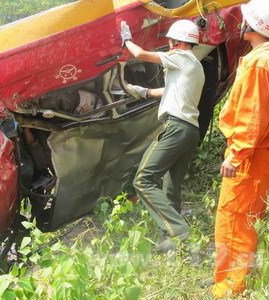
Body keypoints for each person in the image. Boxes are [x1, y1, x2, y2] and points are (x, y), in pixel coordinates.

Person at [211, 0, 269, 297]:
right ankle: (243, 280)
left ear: (254, 25)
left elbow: (252, 114)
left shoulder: (261, 62)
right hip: (263, 157)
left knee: (233, 223)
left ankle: (229, 290)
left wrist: (236, 154)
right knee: (248, 221)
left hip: (249, 157)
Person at [120, 19, 205, 252]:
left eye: (170, 41)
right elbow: (171, 91)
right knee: (171, 186)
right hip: (190, 130)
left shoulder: (181, 56)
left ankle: (178, 231)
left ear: (177, 41)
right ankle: (174, 243)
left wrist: (126, 39)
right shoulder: (194, 65)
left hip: (176, 127)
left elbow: (141, 54)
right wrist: (144, 92)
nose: (168, 44)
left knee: (143, 179)